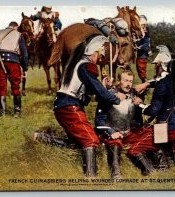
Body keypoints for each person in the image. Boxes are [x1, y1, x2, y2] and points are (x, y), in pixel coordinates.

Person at [53, 35, 124, 178]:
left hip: (63, 105)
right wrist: (116, 98)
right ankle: (91, 178)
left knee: (78, 142)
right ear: (94, 53)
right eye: (99, 56)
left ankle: (42, 139)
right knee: (90, 140)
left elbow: (89, 89)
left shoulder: (77, 64)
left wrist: (103, 87)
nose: (99, 60)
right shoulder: (87, 66)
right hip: (70, 106)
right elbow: (98, 91)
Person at [134, 45, 175, 175]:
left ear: (160, 66)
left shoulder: (162, 84)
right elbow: (159, 81)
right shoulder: (173, 79)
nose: (154, 67)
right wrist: (146, 84)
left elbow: (153, 111)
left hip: (170, 127)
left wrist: (139, 105)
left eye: (156, 65)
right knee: (167, 148)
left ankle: (161, 170)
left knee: (144, 145)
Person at [95, 70, 147, 178]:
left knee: (145, 139)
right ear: (119, 81)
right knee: (115, 144)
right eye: (125, 80)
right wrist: (110, 132)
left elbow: (138, 117)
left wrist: (141, 100)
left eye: (131, 81)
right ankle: (116, 174)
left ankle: (149, 171)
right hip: (113, 131)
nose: (128, 84)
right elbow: (99, 120)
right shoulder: (109, 94)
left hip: (128, 131)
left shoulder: (134, 94)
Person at [0, 21, 28, 117]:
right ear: (15, 27)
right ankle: (17, 112)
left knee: (1, 88)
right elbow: (24, 54)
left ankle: (2, 113)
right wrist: (24, 67)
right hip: (13, 61)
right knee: (15, 86)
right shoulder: (19, 34)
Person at [133, 15, 152, 83]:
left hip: (143, 53)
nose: (143, 27)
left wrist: (139, 47)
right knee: (140, 70)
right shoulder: (142, 31)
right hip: (141, 53)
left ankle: (145, 84)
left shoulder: (146, 32)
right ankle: (145, 83)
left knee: (141, 70)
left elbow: (146, 43)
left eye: (144, 25)